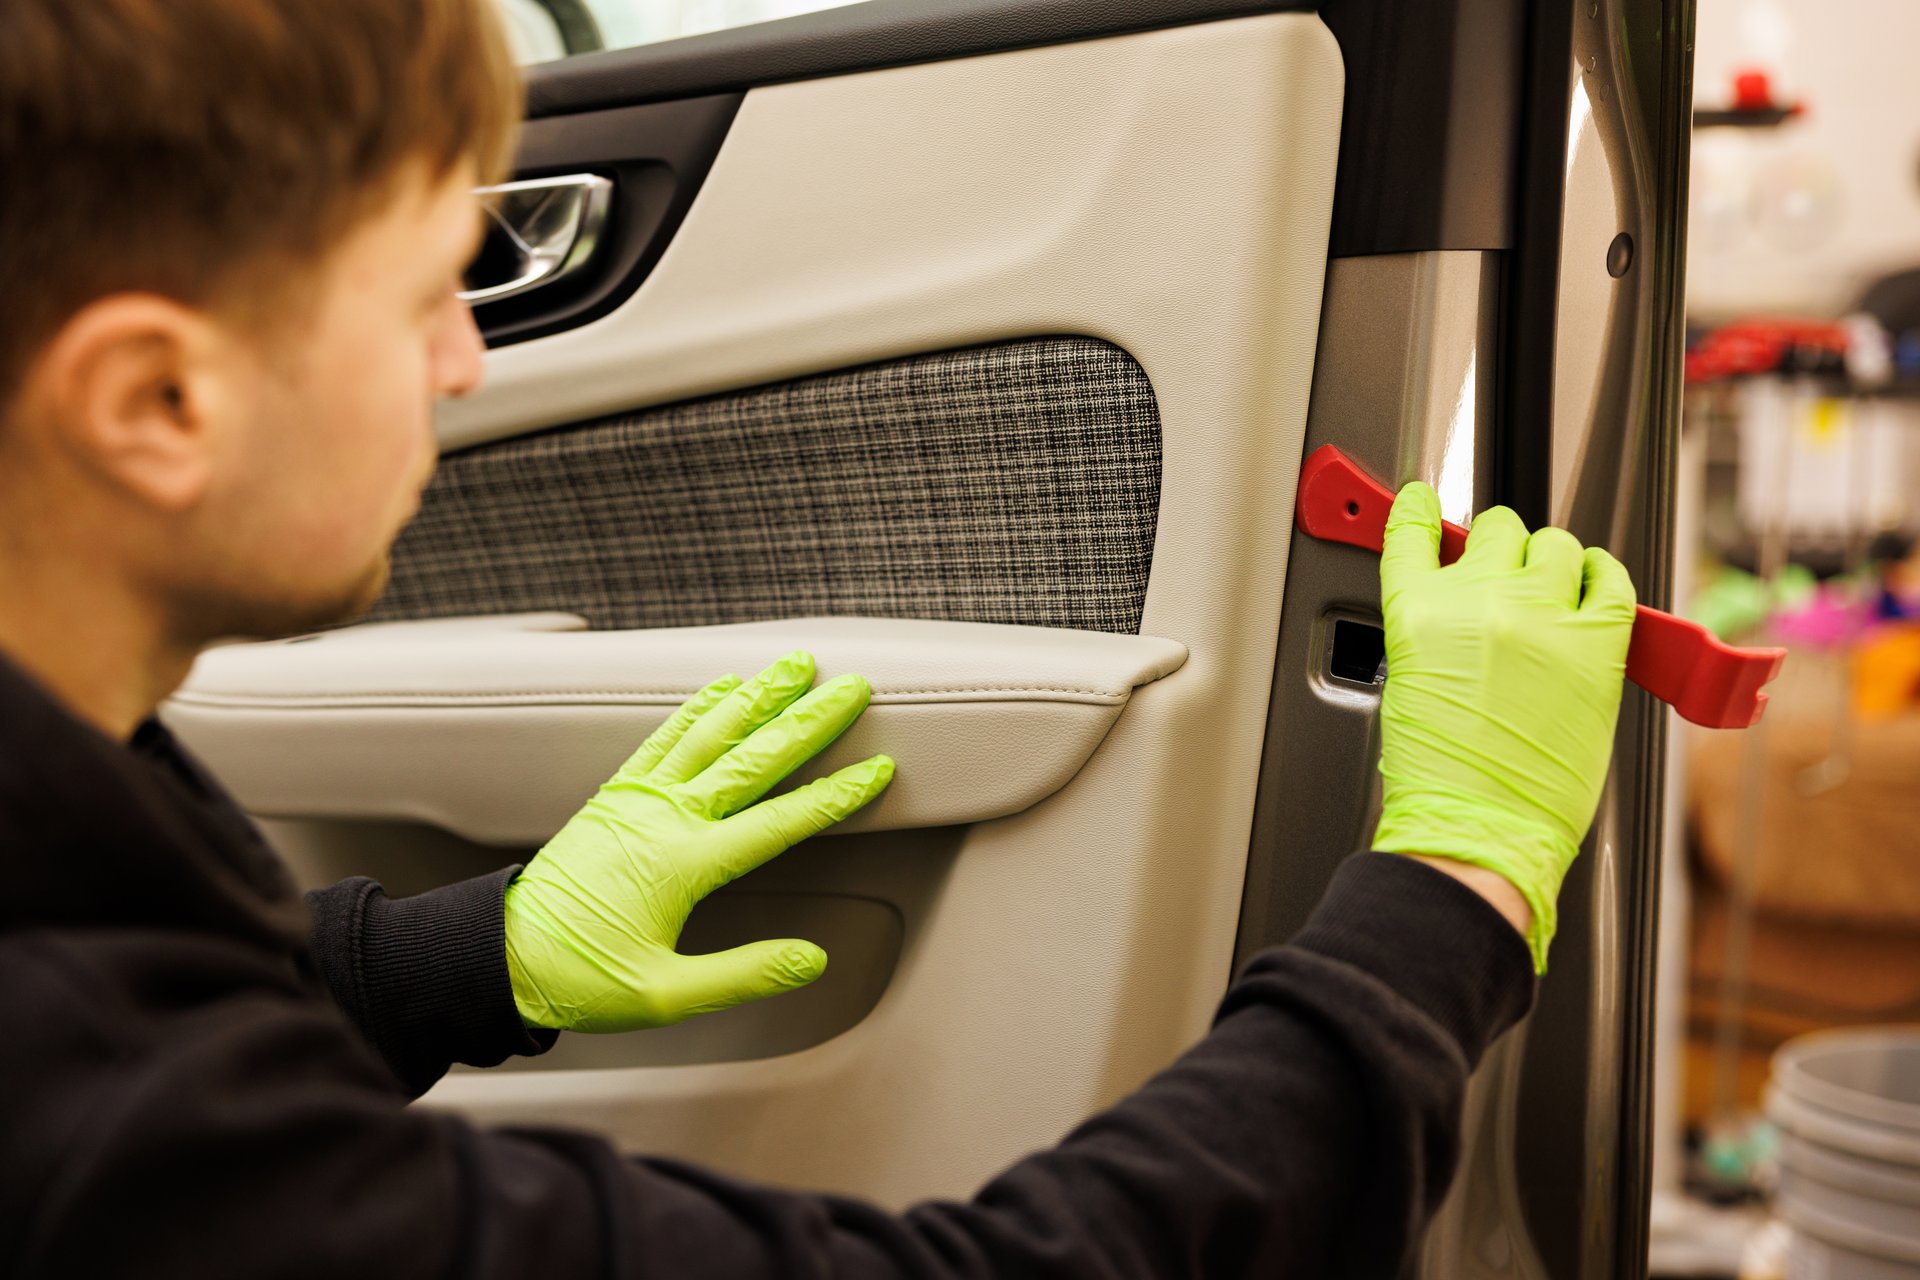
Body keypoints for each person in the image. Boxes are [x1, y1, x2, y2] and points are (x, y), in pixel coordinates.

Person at [0, 1, 1638, 1275]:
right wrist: (1452, 884)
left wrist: (452, 962)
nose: (465, 362)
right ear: (157, 400)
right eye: (430, 285)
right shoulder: (137, 1145)